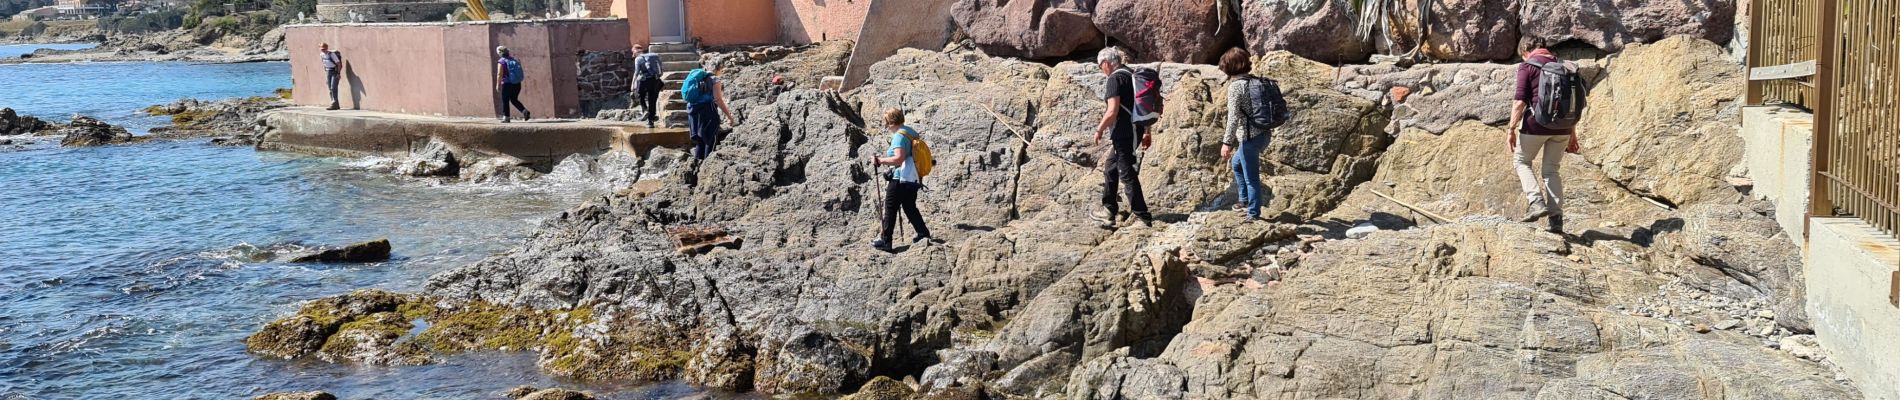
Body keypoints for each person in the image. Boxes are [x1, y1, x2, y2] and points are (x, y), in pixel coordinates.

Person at [1507, 46, 1582, 232]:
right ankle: (1556, 221)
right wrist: (1572, 133)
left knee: (1522, 161)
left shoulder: (1528, 66)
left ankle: (1536, 202)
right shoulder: (1565, 67)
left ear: (1526, 50)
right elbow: (1572, 104)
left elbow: (1519, 102)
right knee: (1551, 171)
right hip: (1564, 127)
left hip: (1535, 125)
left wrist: (1511, 129)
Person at [1092, 46, 1153, 227]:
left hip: (1125, 132)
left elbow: (1112, 111)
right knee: (1111, 167)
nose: (1100, 69)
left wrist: (1099, 129)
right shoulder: (1131, 75)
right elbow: (1143, 105)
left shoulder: (1114, 79)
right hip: (1134, 130)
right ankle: (1109, 209)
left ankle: (1143, 217)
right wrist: (1147, 132)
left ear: (1105, 63)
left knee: (1127, 173)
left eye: (1099, 66)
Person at [1219, 48, 1271, 221]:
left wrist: (1226, 143)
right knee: (1237, 164)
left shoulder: (1236, 87)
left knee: (1251, 178)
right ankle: (1243, 200)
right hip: (1264, 134)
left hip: (1249, 138)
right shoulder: (1256, 81)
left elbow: (1233, 117)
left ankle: (1253, 213)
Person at [870, 108, 931, 250]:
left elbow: (899, 158)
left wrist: (880, 160)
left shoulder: (899, 136)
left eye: (886, 123)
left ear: (891, 122)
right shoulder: (910, 132)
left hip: (900, 178)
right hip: (912, 177)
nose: (886, 126)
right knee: (909, 206)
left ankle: (886, 241)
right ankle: (923, 233)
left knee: (890, 207)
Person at [684, 63, 736, 161]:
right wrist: (729, 117)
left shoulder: (697, 78)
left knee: (700, 141)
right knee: (710, 140)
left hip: (692, 111)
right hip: (707, 112)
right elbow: (718, 100)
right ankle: (707, 168)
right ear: (719, 68)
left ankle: (696, 168)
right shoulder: (714, 79)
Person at [495, 46, 530, 123]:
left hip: (507, 84)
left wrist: (498, 85)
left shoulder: (502, 61)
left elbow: (499, 74)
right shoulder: (514, 60)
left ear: (500, 53)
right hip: (517, 84)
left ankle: (506, 117)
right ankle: (524, 111)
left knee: (505, 100)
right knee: (514, 99)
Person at [632, 44, 662, 128]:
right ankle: (650, 121)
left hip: (644, 81)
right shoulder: (653, 56)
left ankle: (645, 110)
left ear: (635, 51)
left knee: (639, 95)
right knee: (652, 99)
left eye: (633, 52)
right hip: (655, 80)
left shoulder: (638, 59)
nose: (632, 55)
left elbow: (636, 72)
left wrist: (633, 84)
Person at [320, 43, 342, 110]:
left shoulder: (331, 54)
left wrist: (338, 73)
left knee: (333, 88)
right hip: (328, 71)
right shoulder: (321, 55)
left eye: (324, 49)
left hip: (334, 71)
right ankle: (335, 104)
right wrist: (326, 74)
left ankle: (334, 104)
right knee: (330, 88)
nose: (323, 50)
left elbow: (338, 64)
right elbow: (324, 64)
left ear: (327, 48)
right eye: (321, 49)